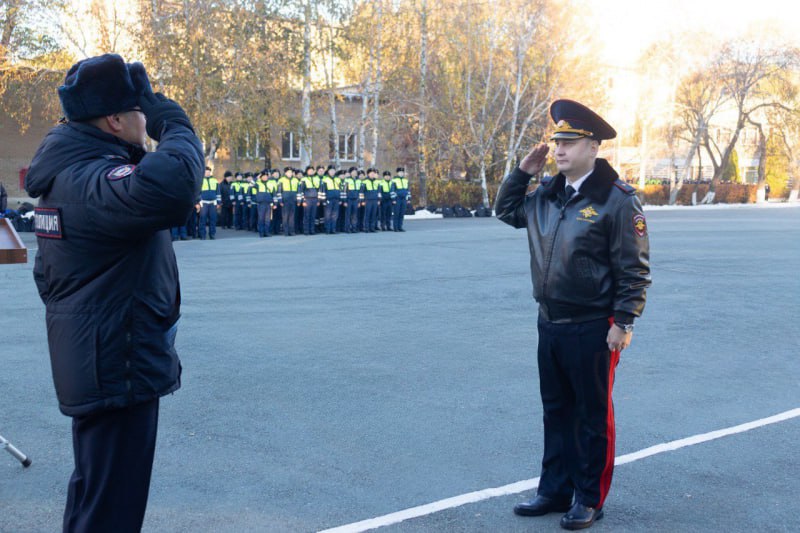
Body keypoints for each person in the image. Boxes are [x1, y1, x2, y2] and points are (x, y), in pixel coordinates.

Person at [24, 53, 203, 533]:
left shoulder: (73, 170)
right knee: (110, 510)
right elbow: (173, 185)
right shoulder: (90, 179)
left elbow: (48, 277)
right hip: (115, 363)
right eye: (139, 109)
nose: (148, 117)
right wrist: (175, 123)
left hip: (100, 354)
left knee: (96, 497)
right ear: (116, 119)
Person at [494, 99, 651, 530]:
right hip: (550, 321)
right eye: (556, 142)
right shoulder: (547, 194)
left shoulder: (617, 201)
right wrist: (523, 172)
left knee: (591, 414)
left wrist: (624, 321)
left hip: (593, 326)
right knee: (556, 408)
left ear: (593, 147)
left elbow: (634, 269)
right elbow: (506, 211)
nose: (559, 149)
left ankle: (588, 497)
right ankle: (555, 488)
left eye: (569, 142)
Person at [198, 166, 219, 239]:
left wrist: (218, 202)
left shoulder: (215, 180)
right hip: (203, 202)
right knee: (202, 219)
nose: (207, 173)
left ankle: (212, 234)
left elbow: (218, 192)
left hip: (213, 203)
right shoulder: (200, 180)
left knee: (213, 219)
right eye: (206, 172)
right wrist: (198, 202)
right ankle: (202, 235)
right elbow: (197, 192)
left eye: (209, 172)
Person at [277, 167, 299, 236]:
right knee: (285, 216)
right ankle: (286, 231)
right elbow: (279, 191)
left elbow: (299, 191)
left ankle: (291, 231)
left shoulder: (296, 180)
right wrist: (280, 201)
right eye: (288, 172)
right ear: (285, 173)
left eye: (291, 172)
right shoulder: (281, 180)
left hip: (293, 200)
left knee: (292, 217)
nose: (290, 173)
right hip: (285, 200)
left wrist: (299, 200)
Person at [300, 165, 320, 235]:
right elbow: (301, 191)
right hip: (307, 199)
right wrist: (303, 201)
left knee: (313, 215)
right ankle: (306, 230)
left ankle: (312, 230)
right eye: (309, 170)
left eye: (312, 170)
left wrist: (318, 200)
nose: (311, 171)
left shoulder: (316, 179)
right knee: (307, 216)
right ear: (307, 171)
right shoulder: (304, 179)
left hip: (315, 199)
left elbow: (319, 190)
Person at [320, 166, 341, 234]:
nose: (332, 172)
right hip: (328, 199)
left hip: (336, 199)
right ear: (328, 171)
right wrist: (323, 200)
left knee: (335, 215)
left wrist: (340, 199)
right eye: (331, 171)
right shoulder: (325, 179)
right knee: (327, 215)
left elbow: (341, 190)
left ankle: (333, 229)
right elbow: (322, 190)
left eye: (333, 171)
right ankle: (327, 229)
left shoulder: (338, 179)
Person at [391, 167, 410, 231]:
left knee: (402, 213)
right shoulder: (394, 180)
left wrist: (408, 199)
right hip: (397, 199)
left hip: (404, 199)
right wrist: (393, 199)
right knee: (396, 213)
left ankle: (400, 227)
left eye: (402, 172)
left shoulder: (406, 180)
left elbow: (408, 190)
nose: (401, 173)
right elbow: (392, 190)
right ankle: (395, 227)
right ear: (397, 173)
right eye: (400, 172)